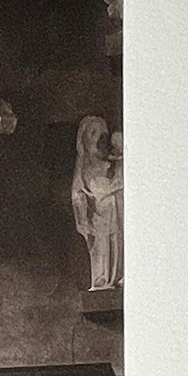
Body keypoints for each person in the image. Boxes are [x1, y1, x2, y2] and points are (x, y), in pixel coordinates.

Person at [71, 116, 124, 291]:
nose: (100, 137)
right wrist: (82, 220)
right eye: (94, 133)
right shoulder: (86, 168)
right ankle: (101, 281)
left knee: (117, 247)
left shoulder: (110, 164)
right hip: (99, 220)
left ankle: (118, 277)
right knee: (102, 252)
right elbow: (90, 192)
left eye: (103, 133)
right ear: (85, 138)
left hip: (116, 216)